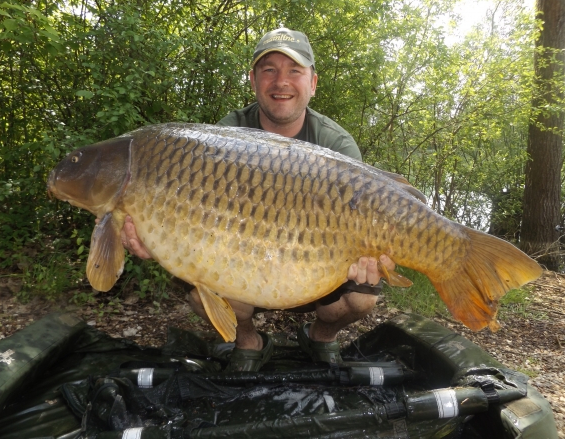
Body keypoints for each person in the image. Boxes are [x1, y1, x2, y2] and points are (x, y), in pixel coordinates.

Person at [121, 28, 396, 371]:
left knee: (360, 297)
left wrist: (369, 255)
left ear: (312, 82)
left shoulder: (336, 146)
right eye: (269, 70)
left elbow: (370, 214)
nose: (281, 81)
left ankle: (320, 336)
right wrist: (154, 234)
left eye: (294, 71)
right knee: (199, 285)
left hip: (315, 265)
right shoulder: (225, 136)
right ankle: (249, 341)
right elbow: (196, 216)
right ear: (253, 80)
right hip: (246, 259)